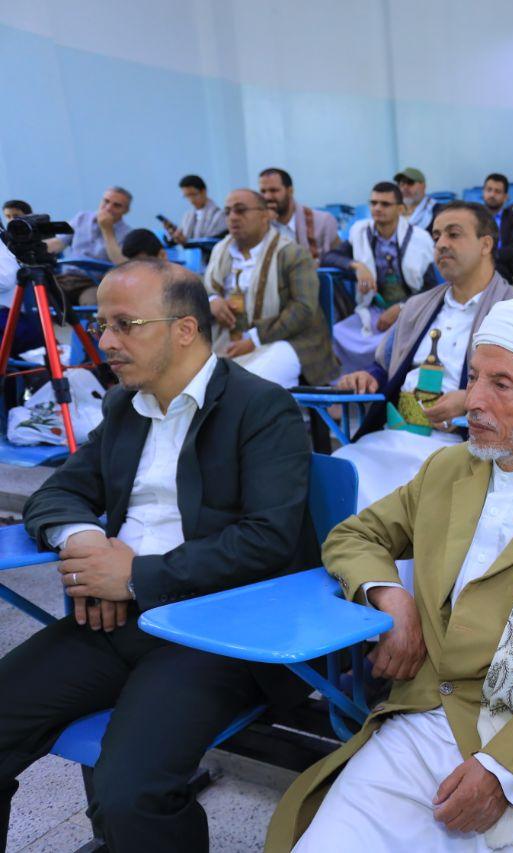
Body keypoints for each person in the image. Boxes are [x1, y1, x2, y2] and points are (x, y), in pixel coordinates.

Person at [267, 298, 513, 853]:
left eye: (502, 384)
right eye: (474, 378)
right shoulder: (448, 468)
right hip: (425, 714)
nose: (473, 400)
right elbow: (355, 536)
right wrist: (393, 600)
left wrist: (504, 771)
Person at [0, 259, 317, 852]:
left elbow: (267, 538)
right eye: (101, 324)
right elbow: (57, 493)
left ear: (184, 329)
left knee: (131, 792)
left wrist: (136, 576)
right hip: (114, 621)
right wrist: (85, 542)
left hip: (213, 631)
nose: (105, 342)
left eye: (125, 324)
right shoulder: (126, 407)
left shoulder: (260, 408)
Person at [331, 201, 513, 510]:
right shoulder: (417, 305)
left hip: (459, 445)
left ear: (486, 244)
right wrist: (368, 376)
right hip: (393, 434)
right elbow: (385, 366)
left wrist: (471, 398)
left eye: (453, 234)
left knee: (397, 499)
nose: (441, 244)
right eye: (436, 237)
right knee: (338, 470)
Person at [204, 189, 337, 388]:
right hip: (227, 341)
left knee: (246, 387)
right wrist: (212, 301)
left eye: (241, 210)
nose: (232, 217)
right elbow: (204, 289)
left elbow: (303, 309)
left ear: (265, 215)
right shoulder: (219, 251)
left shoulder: (293, 254)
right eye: (228, 211)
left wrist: (255, 339)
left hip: (287, 340)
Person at [322, 182, 436, 375]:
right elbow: (329, 257)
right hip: (373, 310)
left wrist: (401, 307)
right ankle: (351, 386)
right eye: (374, 203)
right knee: (338, 334)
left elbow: (431, 288)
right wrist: (358, 266)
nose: (377, 208)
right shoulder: (360, 233)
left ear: (400, 209)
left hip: (412, 310)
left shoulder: (419, 239)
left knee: (397, 341)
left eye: (385, 204)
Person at [46, 186, 133, 305]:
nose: (108, 208)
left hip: (93, 283)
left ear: (126, 211)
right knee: (41, 299)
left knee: (92, 303)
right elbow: (59, 243)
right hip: (65, 278)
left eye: (116, 205)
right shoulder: (82, 218)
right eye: (106, 201)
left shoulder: (127, 233)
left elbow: (120, 264)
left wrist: (107, 230)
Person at [258, 167, 339, 259]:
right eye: (263, 191)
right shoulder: (259, 225)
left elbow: (337, 260)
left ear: (290, 191)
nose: (267, 197)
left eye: (274, 190)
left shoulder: (322, 222)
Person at [479, 173, 513, 283]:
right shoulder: (474, 217)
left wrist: (490, 256)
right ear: (483, 192)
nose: (492, 194)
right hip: (476, 266)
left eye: (497, 191)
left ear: (506, 197)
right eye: (489, 190)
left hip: (504, 269)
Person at [164, 175, 227, 245]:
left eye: (193, 194)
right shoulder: (187, 216)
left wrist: (187, 242)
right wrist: (174, 234)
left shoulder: (219, 215)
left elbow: (213, 243)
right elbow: (179, 238)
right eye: (187, 196)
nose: (191, 200)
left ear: (203, 191)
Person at [393, 167, 433, 231]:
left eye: (410, 183)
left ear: (423, 186)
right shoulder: (393, 210)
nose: (405, 187)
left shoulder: (436, 210)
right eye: (401, 184)